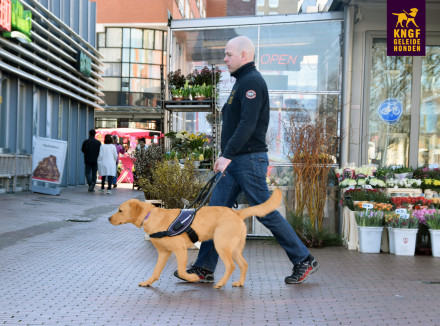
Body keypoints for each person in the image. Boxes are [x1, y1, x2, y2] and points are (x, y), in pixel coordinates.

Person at [174, 35, 319, 284]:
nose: (225, 58)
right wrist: (227, 156)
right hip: (237, 161)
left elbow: (248, 125)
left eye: (229, 54)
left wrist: (227, 155)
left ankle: (303, 260)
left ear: (244, 55)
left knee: (265, 212)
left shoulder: (251, 82)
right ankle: (204, 268)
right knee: (216, 213)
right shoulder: (241, 82)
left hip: (247, 161)